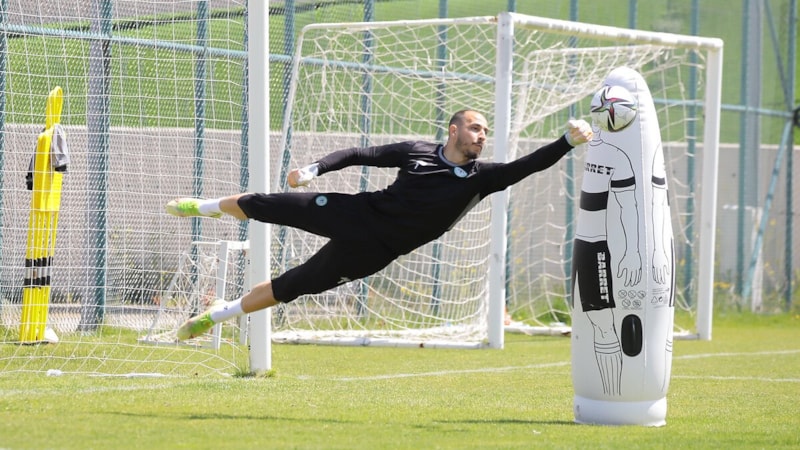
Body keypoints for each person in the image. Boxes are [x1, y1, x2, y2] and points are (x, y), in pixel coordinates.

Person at [167, 110, 593, 340]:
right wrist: (313, 169)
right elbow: (359, 154)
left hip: (376, 250)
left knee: (294, 285)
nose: (483, 136)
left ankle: (215, 316)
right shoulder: (416, 151)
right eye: (476, 127)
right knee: (271, 204)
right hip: (359, 213)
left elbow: (530, 165)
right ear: (454, 129)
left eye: (486, 131)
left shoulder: (484, 177)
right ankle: (200, 207)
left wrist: (566, 142)